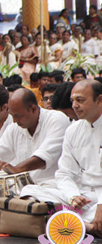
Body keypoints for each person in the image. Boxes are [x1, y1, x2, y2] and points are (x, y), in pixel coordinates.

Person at [19, 80, 102, 236]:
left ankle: (72, 222)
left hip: (99, 198)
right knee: (29, 190)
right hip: (85, 198)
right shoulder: (73, 131)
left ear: (99, 100)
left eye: (80, 100)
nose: (75, 105)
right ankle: (85, 225)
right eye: (73, 101)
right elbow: (64, 173)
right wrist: (72, 196)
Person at [0, 88, 70, 185]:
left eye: (18, 115)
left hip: (54, 186)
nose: (14, 120)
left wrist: (17, 169)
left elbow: (43, 157)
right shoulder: (14, 128)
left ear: (33, 109)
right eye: (12, 115)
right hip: (25, 190)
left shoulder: (57, 120)